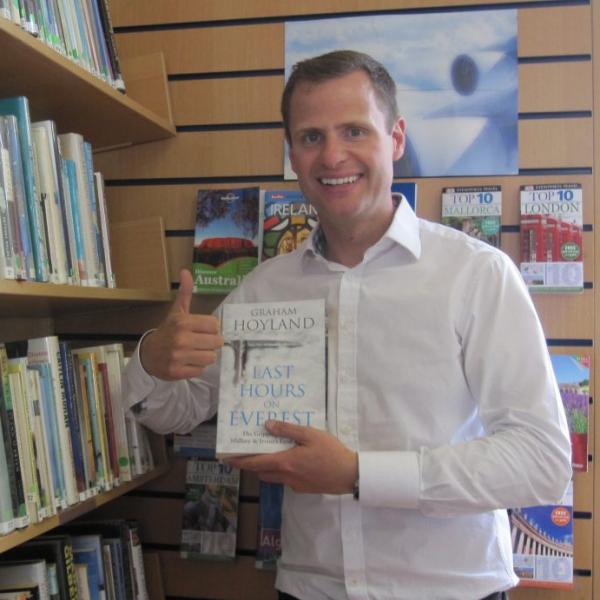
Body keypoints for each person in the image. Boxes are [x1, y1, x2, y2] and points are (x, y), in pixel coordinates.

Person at [123, 50, 572, 600]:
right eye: (311, 137)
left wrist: (359, 473)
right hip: (311, 589)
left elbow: (540, 461)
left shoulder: (476, 274)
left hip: (451, 590)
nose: (332, 156)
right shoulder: (266, 287)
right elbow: (178, 410)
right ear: (292, 153)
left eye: (354, 130)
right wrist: (152, 361)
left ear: (397, 138)